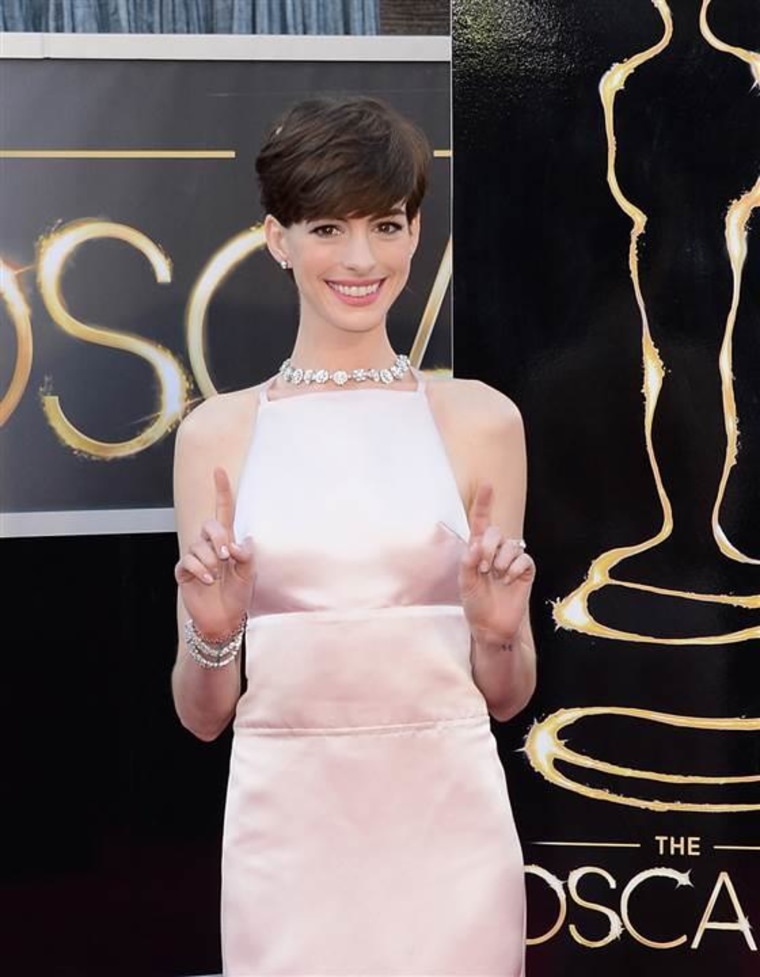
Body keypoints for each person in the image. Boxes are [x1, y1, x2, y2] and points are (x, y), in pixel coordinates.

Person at [171, 94, 536, 977]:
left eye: (387, 223)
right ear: (278, 239)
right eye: (328, 228)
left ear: (417, 234)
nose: (362, 258)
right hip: (287, 838)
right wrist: (214, 636)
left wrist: (495, 631)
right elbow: (203, 715)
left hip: (450, 835)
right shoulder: (216, 435)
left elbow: (508, 695)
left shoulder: (481, 421)